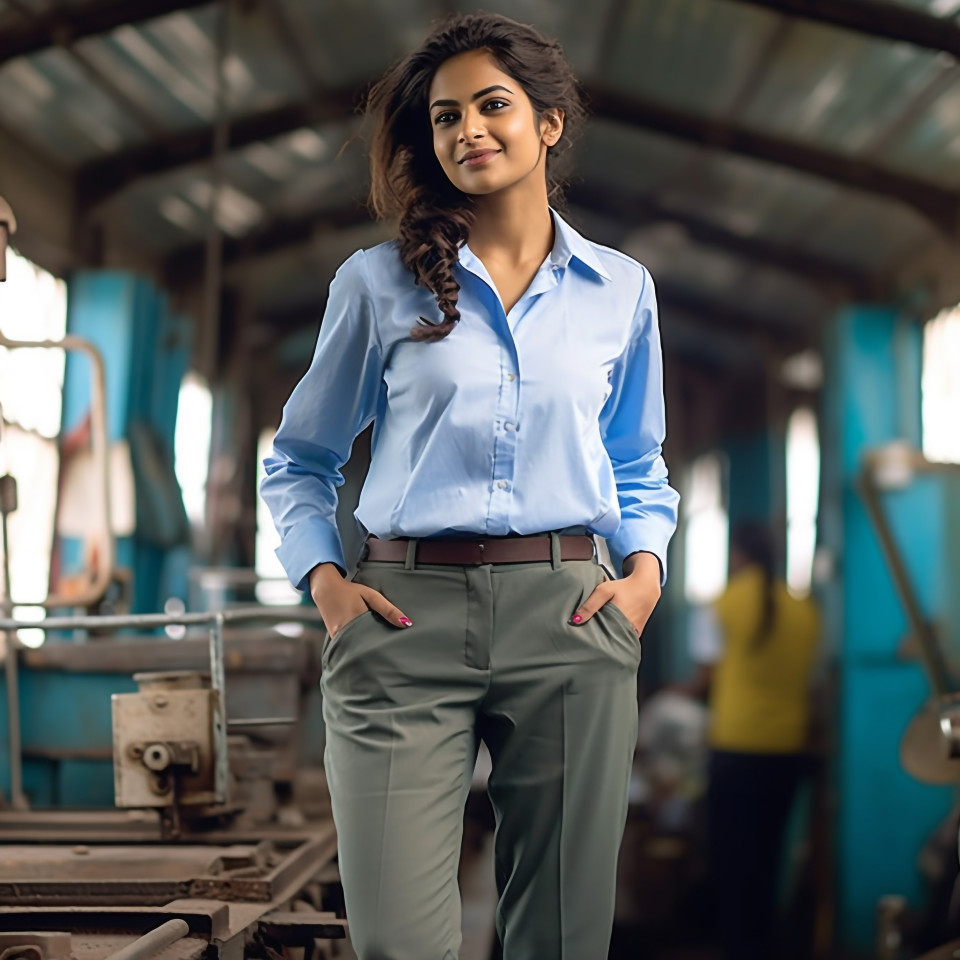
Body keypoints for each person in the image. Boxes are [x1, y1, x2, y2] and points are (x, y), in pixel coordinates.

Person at [260, 13, 679, 959]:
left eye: (493, 106)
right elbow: (300, 458)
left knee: (564, 942)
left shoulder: (622, 291)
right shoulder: (375, 286)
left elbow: (637, 461)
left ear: (550, 124)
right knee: (398, 943)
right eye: (446, 117)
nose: (467, 132)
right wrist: (327, 586)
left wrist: (643, 576)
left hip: (572, 617)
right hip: (399, 621)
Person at [687, 522, 820, 960]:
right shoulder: (805, 611)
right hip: (787, 750)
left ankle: (738, 946)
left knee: (731, 856)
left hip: (736, 748)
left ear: (738, 556)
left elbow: (703, 679)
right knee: (768, 855)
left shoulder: (721, 605)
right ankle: (764, 945)